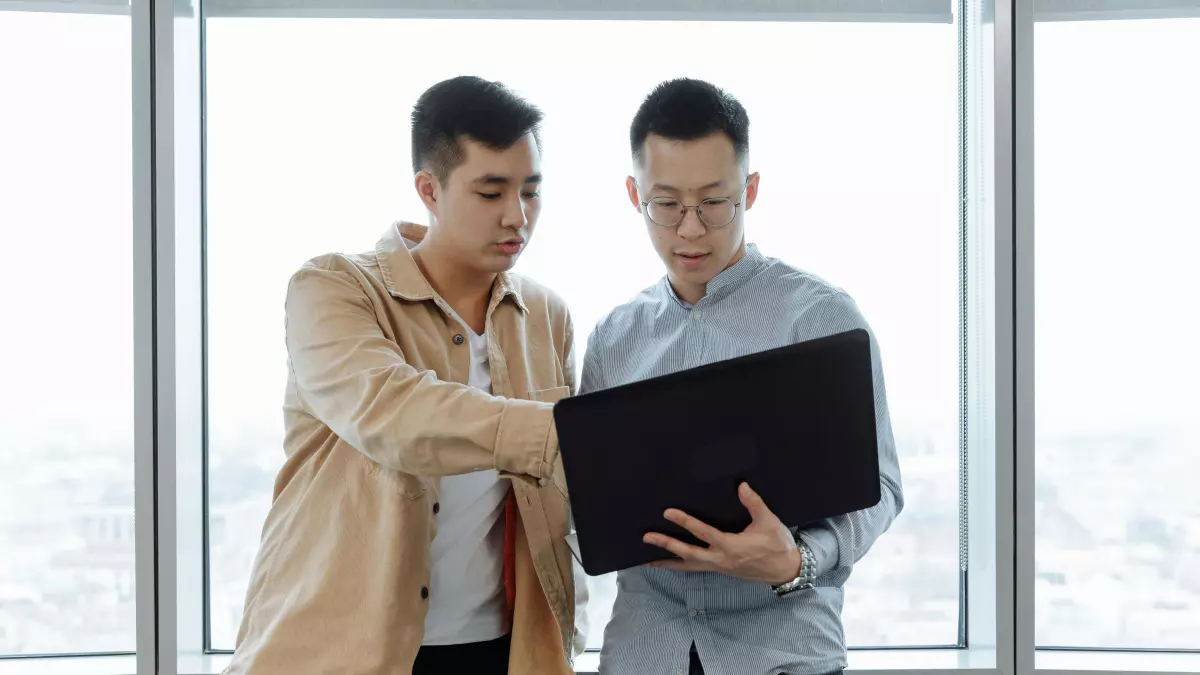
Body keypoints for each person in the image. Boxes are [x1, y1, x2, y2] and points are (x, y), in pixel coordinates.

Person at [224, 76, 586, 675]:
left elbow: (558, 501)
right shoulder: (334, 288)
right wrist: (569, 431)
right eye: (491, 192)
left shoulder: (547, 316)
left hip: (504, 651)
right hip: (341, 653)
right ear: (430, 189)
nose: (516, 216)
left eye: (530, 191)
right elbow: (395, 415)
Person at [581, 78, 905, 675]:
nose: (691, 229)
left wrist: (798, 560)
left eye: (714, 201)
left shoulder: (820, 317)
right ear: (633, 195)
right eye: (667, 204)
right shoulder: (612, 339)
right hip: (644, 654)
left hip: (783, 653)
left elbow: (881, 487)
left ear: (749, 190)